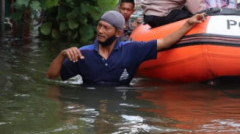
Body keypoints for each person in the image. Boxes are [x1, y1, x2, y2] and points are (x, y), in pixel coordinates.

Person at [46, 10, 206, 86]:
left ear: (118, 33)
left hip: (120, 104)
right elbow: (51, 76)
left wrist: (188, 23)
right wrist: (62, 55)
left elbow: (164, 42)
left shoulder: (132, 49)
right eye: (99, 26)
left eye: (106, 28)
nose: (100, 31)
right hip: (91, 105)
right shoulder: (83, 54)